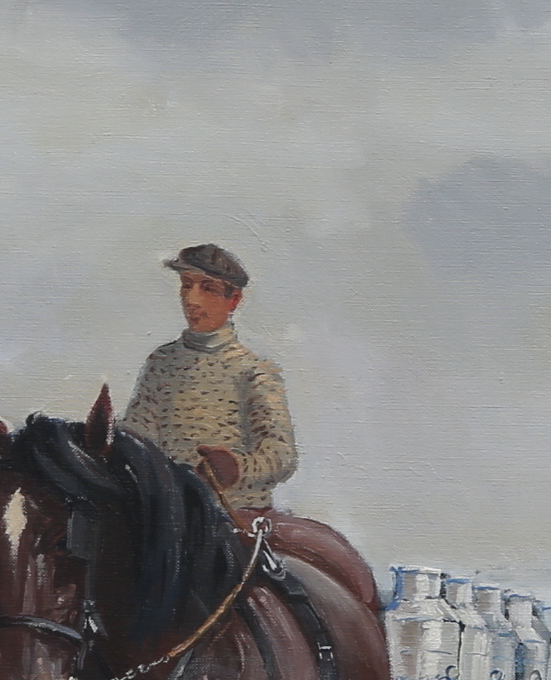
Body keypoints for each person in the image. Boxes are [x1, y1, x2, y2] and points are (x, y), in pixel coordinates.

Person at [120, 244, 381, 614]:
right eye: (187, 285)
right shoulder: (161, 363)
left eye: (208, 288)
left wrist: (236, 468)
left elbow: (281, 454)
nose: (192, 299)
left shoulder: (254, 371)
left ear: (234, 300)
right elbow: (137, 437)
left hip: (236, 519)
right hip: (167, 522)